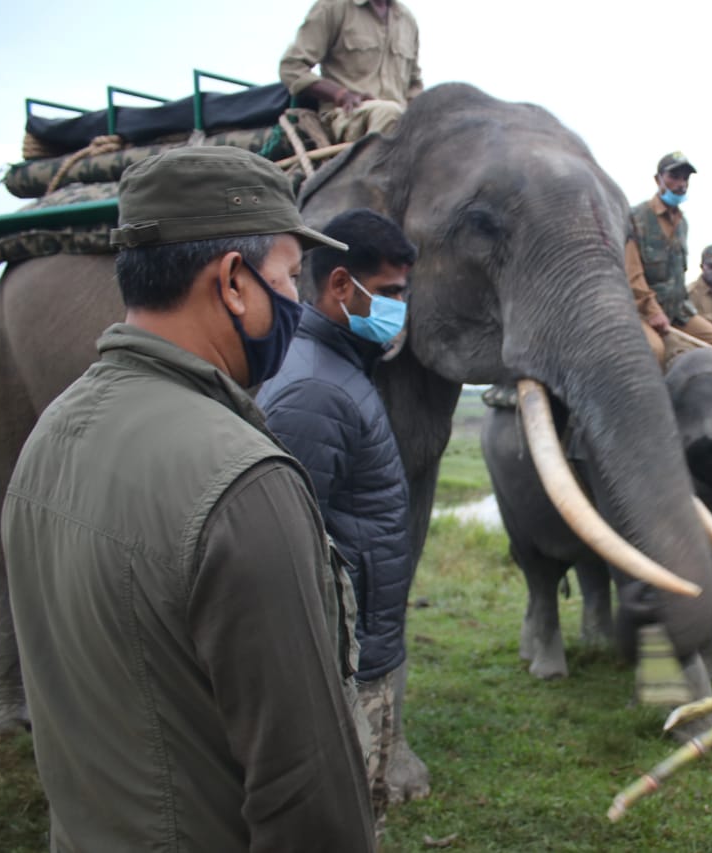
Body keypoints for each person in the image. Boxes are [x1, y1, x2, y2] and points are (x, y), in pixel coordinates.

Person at [1, 147, 375, 851]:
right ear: (234, 282)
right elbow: (306, 791)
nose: (296, 301)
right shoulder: (242, 480)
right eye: (289, 277)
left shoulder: (51, 433)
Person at [257, 208, 422, 832]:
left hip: (362, 653)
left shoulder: (338, 372)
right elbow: (291, 548)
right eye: (389, 295)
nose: (399, 310)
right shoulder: (315, 394)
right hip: (338, 670)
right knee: (338, 826)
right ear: (339, 285)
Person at [625, 152, 712, 366]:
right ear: (658, 180)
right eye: (674, 177)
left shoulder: (682, 223)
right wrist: (653, 311)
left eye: (685, 178)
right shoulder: (636, 218)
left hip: (678, 312)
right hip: (642, 312)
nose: (681, 184)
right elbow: (633, 275)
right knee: (656, 351)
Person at [280, 0, 423, 142]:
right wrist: (340, 94)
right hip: (347, 116)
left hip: (400, 123)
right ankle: (372, 163)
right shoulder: (333, 7)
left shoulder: (407, 19)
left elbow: (414, 85)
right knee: (388, 112)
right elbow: (291, 67)